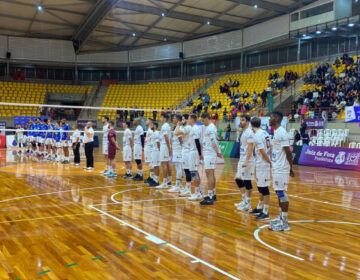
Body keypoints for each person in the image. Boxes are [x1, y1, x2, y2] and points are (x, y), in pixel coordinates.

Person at [269, 112, 295, 231]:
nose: (269, 119)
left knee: (282, 193)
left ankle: (284, 222)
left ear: (277, 118)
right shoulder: (276, 132)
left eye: (271, 117)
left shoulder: (282, 133)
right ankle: (281, 217)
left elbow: (288, 152)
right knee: (279, 193)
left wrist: (291, 168)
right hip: (277, 167)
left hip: (281, 168)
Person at [250, 117, 272, 220]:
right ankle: (259, 207)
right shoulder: (265, 133)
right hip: (260, 163)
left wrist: (269, 161)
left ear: (252, 125)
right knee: (260, 187)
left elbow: (263, 150)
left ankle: (266, 211)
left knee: (264, 188)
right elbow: (270, 147)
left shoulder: (257, 135)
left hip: (263, 164)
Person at [176, 114, 202, 200]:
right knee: (194, 172)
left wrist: (199, 154)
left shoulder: (194, 128)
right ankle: (198, 191)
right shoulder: (194, 128)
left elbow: (197, 142)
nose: (187, 120)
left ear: (192, 119)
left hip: (193, 152)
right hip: (192, 152)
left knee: (194, 172)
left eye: (189, 119)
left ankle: (198, 192)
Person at [200, 113, 222, 205]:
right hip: (208, 153)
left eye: (203, 120)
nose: (202, 122)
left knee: (209, 174)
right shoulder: (210, 127)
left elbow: (214, 141)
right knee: (210, 173)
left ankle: (210, 196)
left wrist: (218, 152)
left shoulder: (211, 128)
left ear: (207, 118)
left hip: (210, 153)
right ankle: (213, 194)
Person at [234, 114, 255, 212]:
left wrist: (247, 160)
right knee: (238, 179)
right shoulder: (243, 132)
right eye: (240, 120)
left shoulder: (249, 132)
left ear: (247, 121)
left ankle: (248, 204)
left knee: (247, 182)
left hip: (248, 160)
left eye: (242, 120)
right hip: (242, 158)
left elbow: (251, 147)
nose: (240, 122)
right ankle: (244, 200)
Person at [175, 115, 192, 196]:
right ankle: (187, 188)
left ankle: (188, 189)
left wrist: (178, 125)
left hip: (187, 151)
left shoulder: (187, 127)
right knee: (186, 170)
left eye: (183, 119)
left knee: (188, 170)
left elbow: (177, 133)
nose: (182, 121)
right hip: (185, 150)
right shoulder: (186, 128)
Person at [168, 115, 183, 193]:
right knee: (178, 167)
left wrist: (181, 149)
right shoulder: (177, 127)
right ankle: (179, 185)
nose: (173, 119)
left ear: (177, 119)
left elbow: (181, 140)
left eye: (174, 118)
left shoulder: (179, 128)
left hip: (178, 150)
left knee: (178, 167)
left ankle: (178, 186)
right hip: (176, 149)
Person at [157, 114, 172, 189]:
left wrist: (169, 148)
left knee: (164, 164)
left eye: (161, 117)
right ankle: (169, 181)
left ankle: (165, 182)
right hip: (166, 146)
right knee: (167, 163)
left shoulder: (164, 126)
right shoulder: (168, 126)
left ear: (165, 119)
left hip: (164, 145)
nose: (160, 118)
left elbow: (166, 137)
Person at [149, 122, 161, 187]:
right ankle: (154, 179)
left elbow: (158, 143)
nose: (151, 126)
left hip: (156, 151)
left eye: (152, 125)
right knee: (154, 165)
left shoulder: (156, 133)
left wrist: (159, 151)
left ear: (155, 126)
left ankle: (156, 180)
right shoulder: (153, 133)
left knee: (156, 166)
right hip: (153, 151)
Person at [144, 119, 155, 184]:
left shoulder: (151, 131)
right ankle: (151, 177)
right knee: (150, 164)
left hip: (150, 149)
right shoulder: (148, 130)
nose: (146, 121)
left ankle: (152, 178)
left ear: (150, 122)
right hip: (147, 148)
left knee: (151, 164)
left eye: (147, 120)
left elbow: (152, 141)